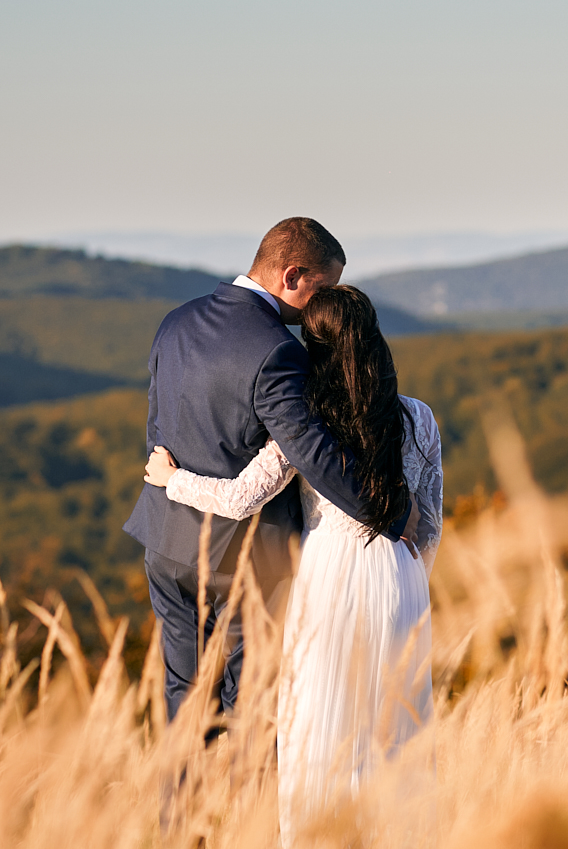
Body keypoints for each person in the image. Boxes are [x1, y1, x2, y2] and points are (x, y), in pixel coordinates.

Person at [143, 285, 442, 842]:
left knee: (321, 726)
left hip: (327, 577)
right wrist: (406, 582)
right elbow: (430, 523)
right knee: (396, 718)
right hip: (399, 579)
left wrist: (171, 479)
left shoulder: (310, 421)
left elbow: (239, 498)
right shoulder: (419, 419)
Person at [123, 218, 416, 724]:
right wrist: (386, 514)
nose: (322, 306)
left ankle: (181, 806)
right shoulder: (279, 351)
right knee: (249, 706)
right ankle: (243, 804)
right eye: (321, 290)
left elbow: (160, 424)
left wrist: (168, 483)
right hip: (242, 556)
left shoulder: (176, 321)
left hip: (167, 542)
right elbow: (312, 452)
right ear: (293, 275)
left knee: (183, 697)